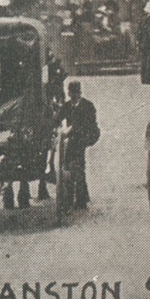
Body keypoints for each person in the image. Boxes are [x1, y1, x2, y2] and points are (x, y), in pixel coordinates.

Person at [58, 80, 100, 210]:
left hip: (84, 137)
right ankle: (75, 197)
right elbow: (57, 118)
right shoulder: (67, 106)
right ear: (69, 93)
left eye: (75, 93)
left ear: (79, 93)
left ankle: (80, 200)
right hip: (73, 139)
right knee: (70, 166)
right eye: (71, 93)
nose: (73, 96)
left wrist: (74, 129)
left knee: (78, 166)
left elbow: (90, 125)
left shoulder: (88, 106)